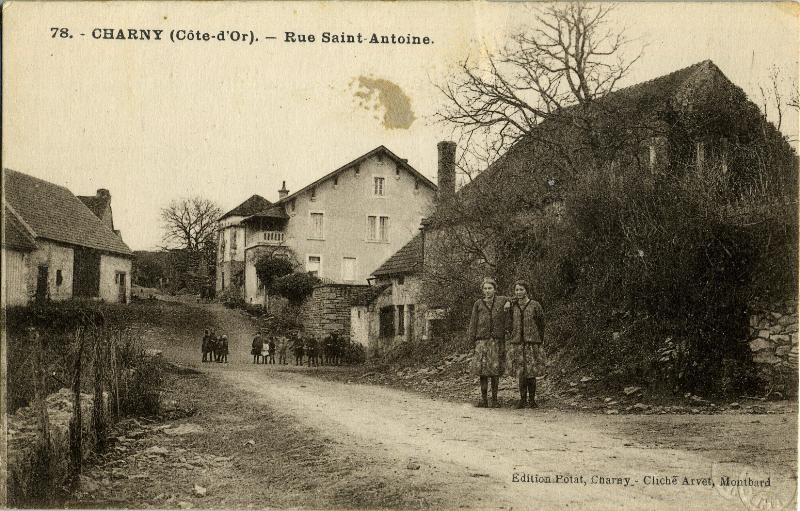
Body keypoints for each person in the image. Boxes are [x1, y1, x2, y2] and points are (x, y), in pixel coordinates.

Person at [467, 277, 510, 408]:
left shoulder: (501, 300)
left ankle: (495, 400)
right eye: (485, 288)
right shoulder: (478, 304)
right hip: (482, 342)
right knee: (483, 371)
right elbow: (473, 323)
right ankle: (484, 400)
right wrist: (471, 340)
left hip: (497, 341)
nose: (487, 291)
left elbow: (515, 298)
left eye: (490, 288)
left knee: (495, 371)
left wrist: (508, 302)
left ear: (495, 289)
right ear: (482, 290)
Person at [505, 280, 546, 408]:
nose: (519, 292)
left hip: (531, 342)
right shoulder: (513, 306)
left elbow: (541, 323)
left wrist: (539, 339)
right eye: (516, 290)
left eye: (521, 289)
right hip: (518, 342)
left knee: (531, 372)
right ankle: (522, 399)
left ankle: (532, 400)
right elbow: (509, 322)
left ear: (526, 290)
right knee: (521, 373)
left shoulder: (535, 305)